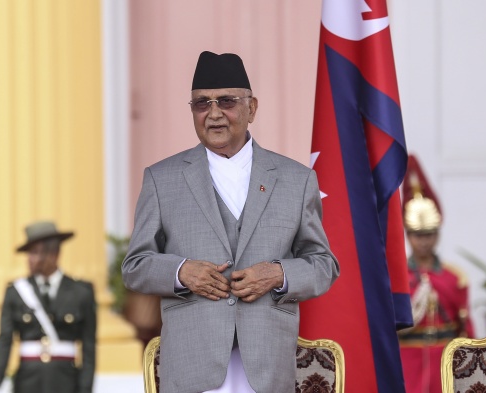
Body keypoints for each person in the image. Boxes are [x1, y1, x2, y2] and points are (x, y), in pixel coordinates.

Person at [122, 51, 339, 393]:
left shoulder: (296, 180)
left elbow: (324, 265)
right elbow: (135, 266)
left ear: (252, 108)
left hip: (266, 366)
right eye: (201, 104)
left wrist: (279, 274)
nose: (213, 114)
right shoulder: (162, 179)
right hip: (192, 366)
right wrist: (181, 272)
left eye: (226, 101)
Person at [0, 220, 97, 393]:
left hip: (66, 381)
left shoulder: (81, 292)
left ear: (54, 254)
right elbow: (5, 340)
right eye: (29, 253)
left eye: (36, 253)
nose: (30, 260)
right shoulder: (15, 291)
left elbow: (89, 346)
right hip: (27, 381)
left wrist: (85, 388)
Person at [398, 160, 474, 393]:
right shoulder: (396, 278)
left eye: (429, 234)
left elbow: (465, 327)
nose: (424, 241)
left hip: (445, 359)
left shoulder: (454, 278)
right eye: (417, 235)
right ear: (408, 235)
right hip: (406, 360)